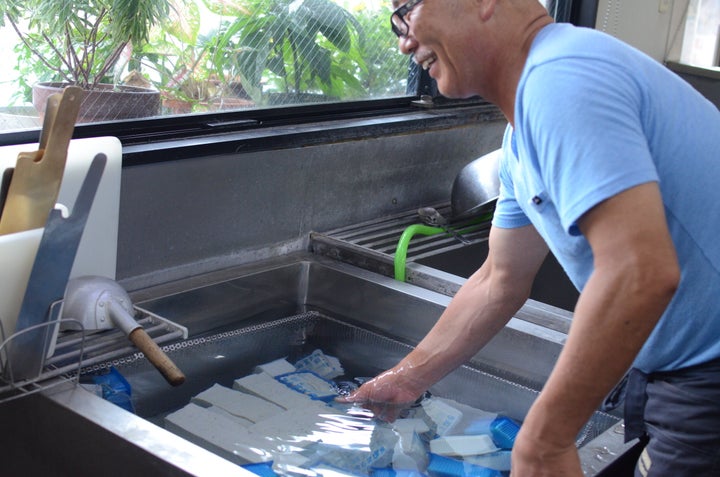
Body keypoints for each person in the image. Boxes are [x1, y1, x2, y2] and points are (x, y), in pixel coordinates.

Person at [338, 1, 720, 476]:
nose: (402, 41)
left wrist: (544, 440)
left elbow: (638, 274)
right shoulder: (523, 132)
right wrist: (404, 381)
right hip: (674, 365)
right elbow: (499, 280)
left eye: (405, 11)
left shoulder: (561, 82)